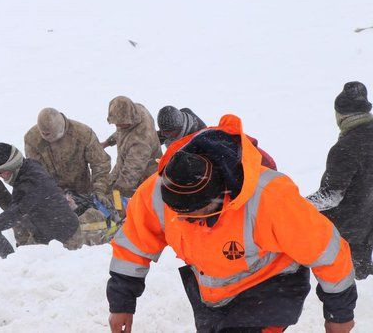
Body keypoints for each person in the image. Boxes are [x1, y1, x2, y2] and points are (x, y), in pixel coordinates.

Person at [107, 115, 357, 333]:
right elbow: (132, 249)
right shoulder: (155, 194)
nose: (186, 222)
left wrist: (339, 315)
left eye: (196, 214)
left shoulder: (269, 198)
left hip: (270, 288)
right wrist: (121, 305)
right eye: (179, 215)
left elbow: (329, 253)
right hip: (212, 298)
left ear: (220, 195)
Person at [0, 143, 82, 249]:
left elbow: (14, 214)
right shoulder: (28, 167)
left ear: (11, 166)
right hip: (46, 234)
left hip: (64, 239)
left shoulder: (31, 184)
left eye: (0, 172)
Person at [308, 81, 373, 280]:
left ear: (340, 116)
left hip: (343, 229)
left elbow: (331, 195)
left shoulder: (345, 148)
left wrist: (298, 204)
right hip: (367, 224)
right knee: (362, 276)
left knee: (341, 280)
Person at [24, 108, 113, 244]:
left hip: (84, 191)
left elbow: (100, 165)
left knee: (94, 223)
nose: (48, 139)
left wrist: (99, 191)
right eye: (45, 135)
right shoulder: (32, 139)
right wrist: (56, 195)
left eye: (51, 135)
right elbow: (36, 173)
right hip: (52, 194)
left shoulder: (83, 134)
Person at [158, 105, 277, 170]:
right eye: (163, 130)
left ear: (179, 128)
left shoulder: (197, 142)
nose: (164, 134)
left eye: (167, 132)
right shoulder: (182, 119)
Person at [101, 96, 162, 215]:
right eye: (116, 124)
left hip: (145, 171)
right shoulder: (135, 110)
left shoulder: (141, 140)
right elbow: (121, 131)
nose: (118, 126)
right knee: (110, 187)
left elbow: (132, 172)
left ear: (129, 121)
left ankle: (123, 217)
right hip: (125, 160)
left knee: (122, 193)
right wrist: (108, 142)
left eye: (121, 124)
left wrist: (118, 189)